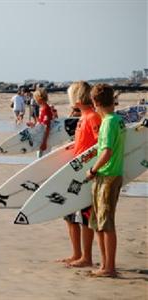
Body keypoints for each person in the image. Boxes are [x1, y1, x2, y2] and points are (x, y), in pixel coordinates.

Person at [57, 81, 101, 268]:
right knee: (68, 214)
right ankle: (76, 253)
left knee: (84, 216)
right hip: (74, 172)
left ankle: (87, 257)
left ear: (77, 97)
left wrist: (92, 169)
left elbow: (101, 145)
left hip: (87, 174)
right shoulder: (82, 117)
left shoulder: (92, 117)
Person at [86, 83, 126, 278]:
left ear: (95, 102)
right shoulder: (118, 120)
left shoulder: (109, 122)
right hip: (109, 174)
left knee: (106, 223)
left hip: (108, 175)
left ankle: (109, 267)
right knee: (99, 222)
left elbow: (107, 151)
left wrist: (93, 170)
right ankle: (104, 264)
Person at [28, 88, 52, 158]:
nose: (35, 100)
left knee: (42, 160)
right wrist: (33, 125)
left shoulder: (45, 109)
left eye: (35, 99)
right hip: (40, 137)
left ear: (39, 99)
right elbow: (41, 125)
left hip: (44, 139)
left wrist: (44, 142)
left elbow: (47, 127)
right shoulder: (42, 108)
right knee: (39, 158)